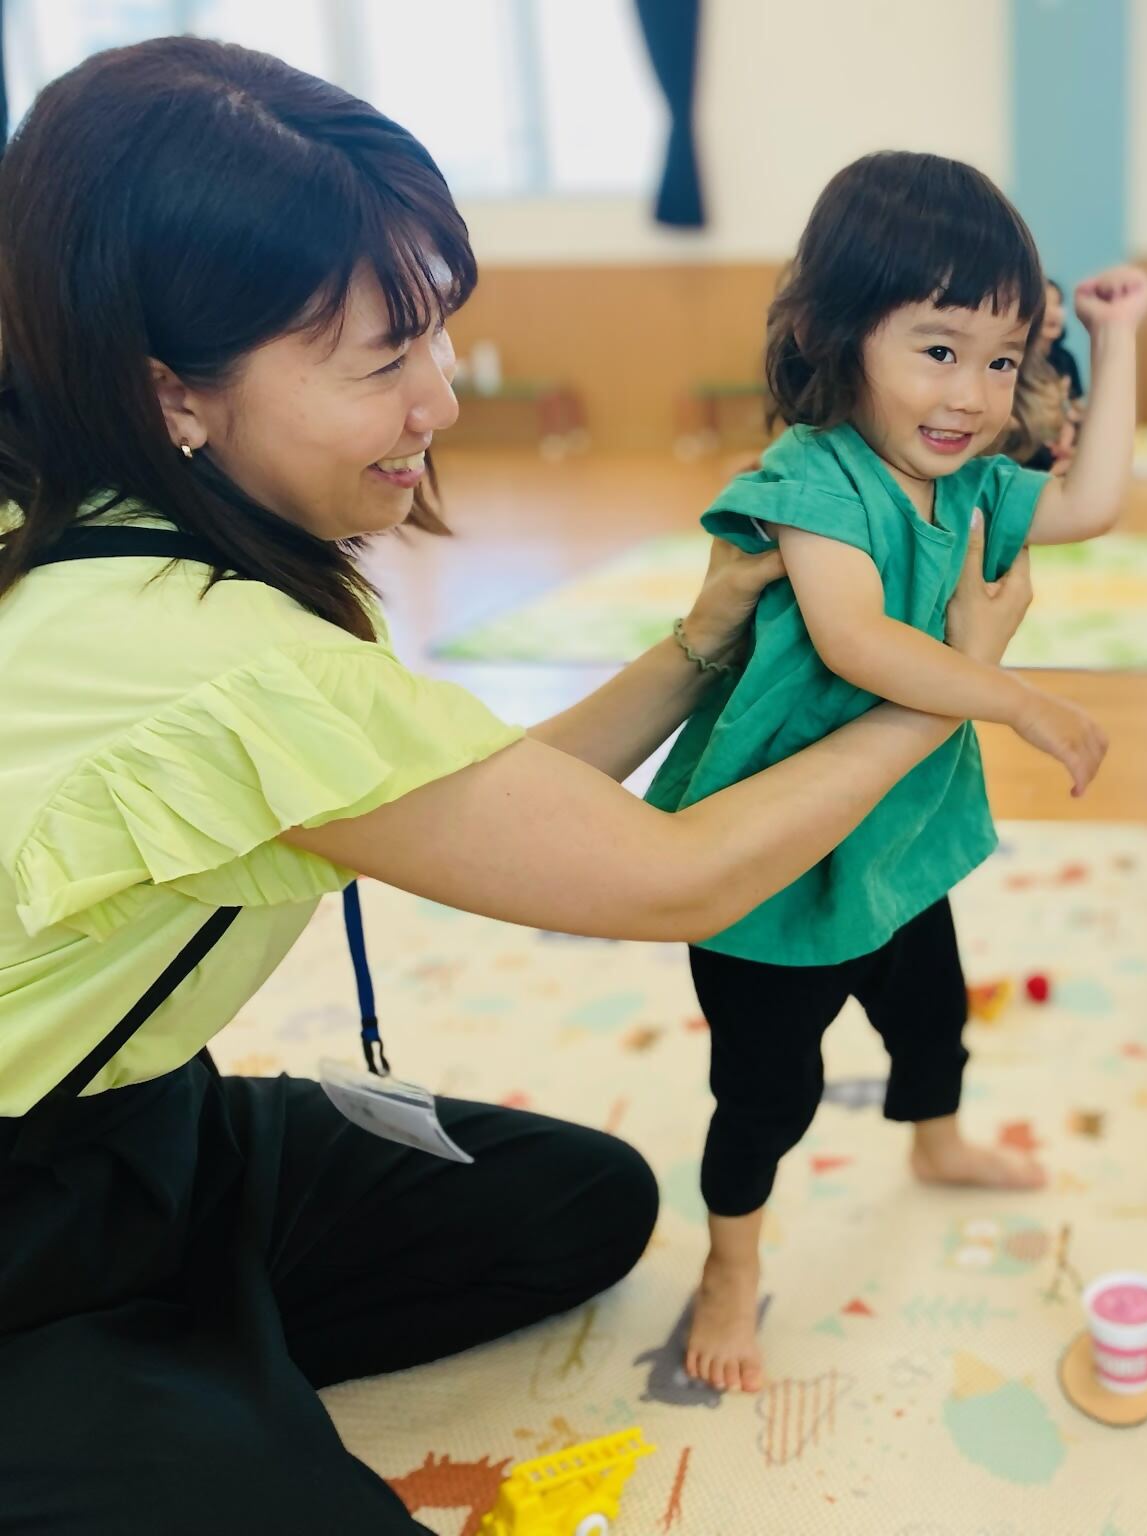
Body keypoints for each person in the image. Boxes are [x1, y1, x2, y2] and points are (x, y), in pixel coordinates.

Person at [0, 43, 1036, 1536]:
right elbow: (670, 878)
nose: (443, 398)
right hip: (22, 1208)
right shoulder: (201, 655)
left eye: (439, 336)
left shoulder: (108, 504)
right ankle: (122, 1395)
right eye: (380, 361)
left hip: (149, 1133)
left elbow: (466, 803)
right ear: (174, 389)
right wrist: (951, 688)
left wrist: (701, 641)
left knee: (588, 1204)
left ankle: (170, 1373)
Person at [641, 151, 1147, 1393]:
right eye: (936, 349)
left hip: (897, 839)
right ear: (833, 332)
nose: (972, 394)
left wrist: (1113, 336)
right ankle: (729, 1265)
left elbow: (1090, 502)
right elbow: (855, 640)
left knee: (931, 1012)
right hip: (775, 865)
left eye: (1000, 360)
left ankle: (937, 1140)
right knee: (768, 1093)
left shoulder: (972, 481)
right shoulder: (810, 480)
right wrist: (1014, 695)